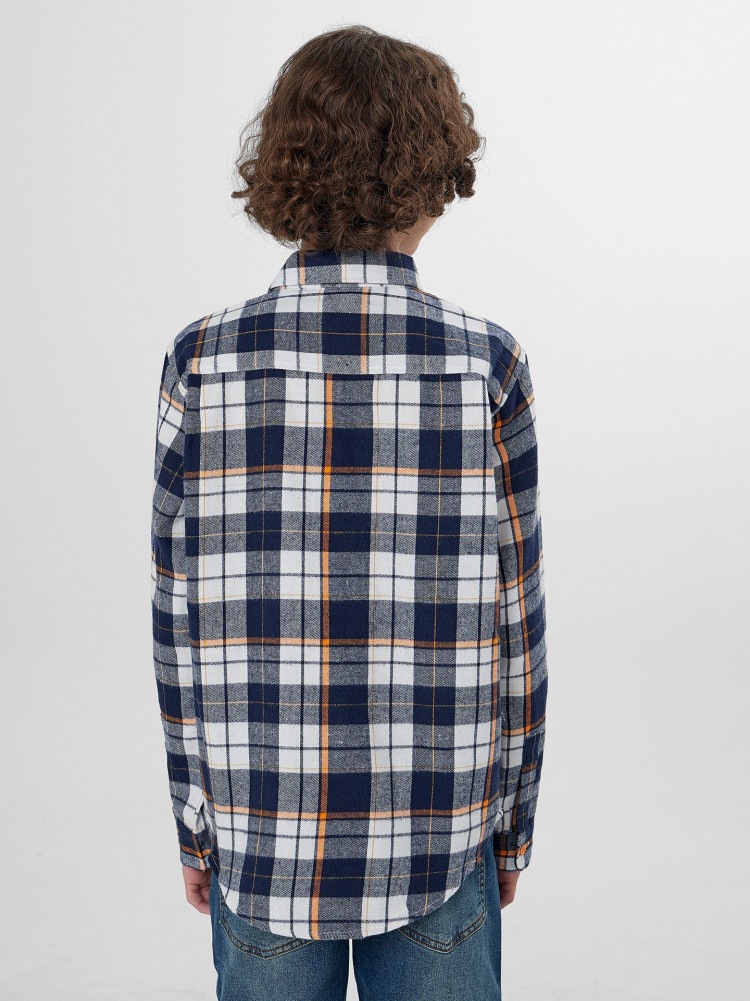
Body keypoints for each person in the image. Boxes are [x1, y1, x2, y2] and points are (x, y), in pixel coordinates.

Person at [150, 23, 548, 1001]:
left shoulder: (202, 363)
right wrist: (511, 823)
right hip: (439, 830)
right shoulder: (486, 365)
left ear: (285, 168)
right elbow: (518, 624)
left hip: (264, 832)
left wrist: (196, 823)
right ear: (433, 176)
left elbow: (177, 617)